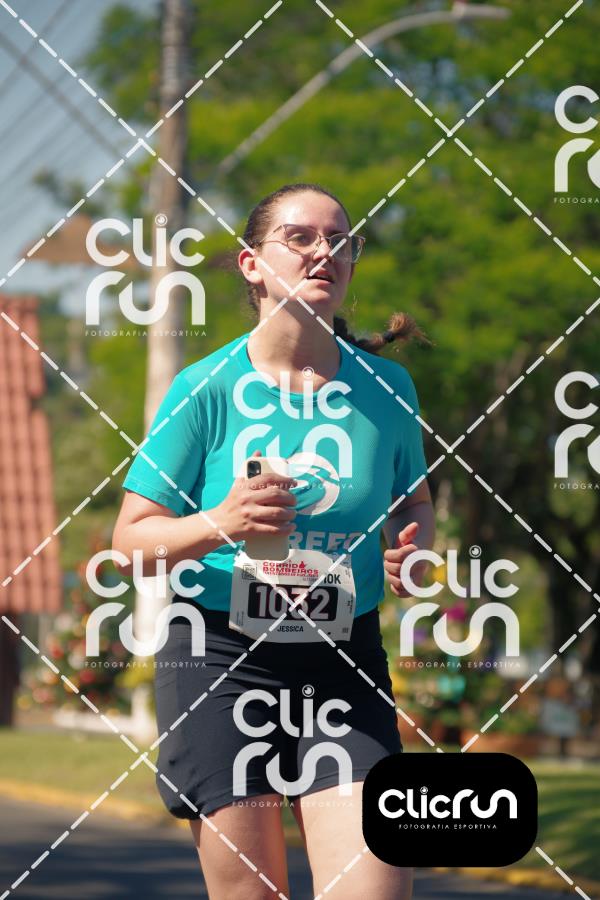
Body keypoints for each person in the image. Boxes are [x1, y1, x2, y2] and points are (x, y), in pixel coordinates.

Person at [112, 182, 435, 899]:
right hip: (219, 659)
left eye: (340, 240)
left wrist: (412, 548)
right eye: (301, 237)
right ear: (252, 264)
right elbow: (130, 543)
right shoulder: (204, 388)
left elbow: (412, 497)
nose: (326, 252)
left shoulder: (388, 389)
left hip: (344, 657)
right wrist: (222, 523)